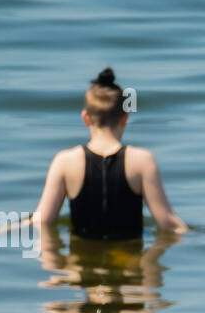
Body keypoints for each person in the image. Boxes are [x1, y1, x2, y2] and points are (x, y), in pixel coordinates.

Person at [31, 67, 188, 239]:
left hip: (80, 264)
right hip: (130, 263)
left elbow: (42, 221)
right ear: (125, 117)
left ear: (85, 118)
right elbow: (168, 223)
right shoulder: (142, 161)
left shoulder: (65, 161)